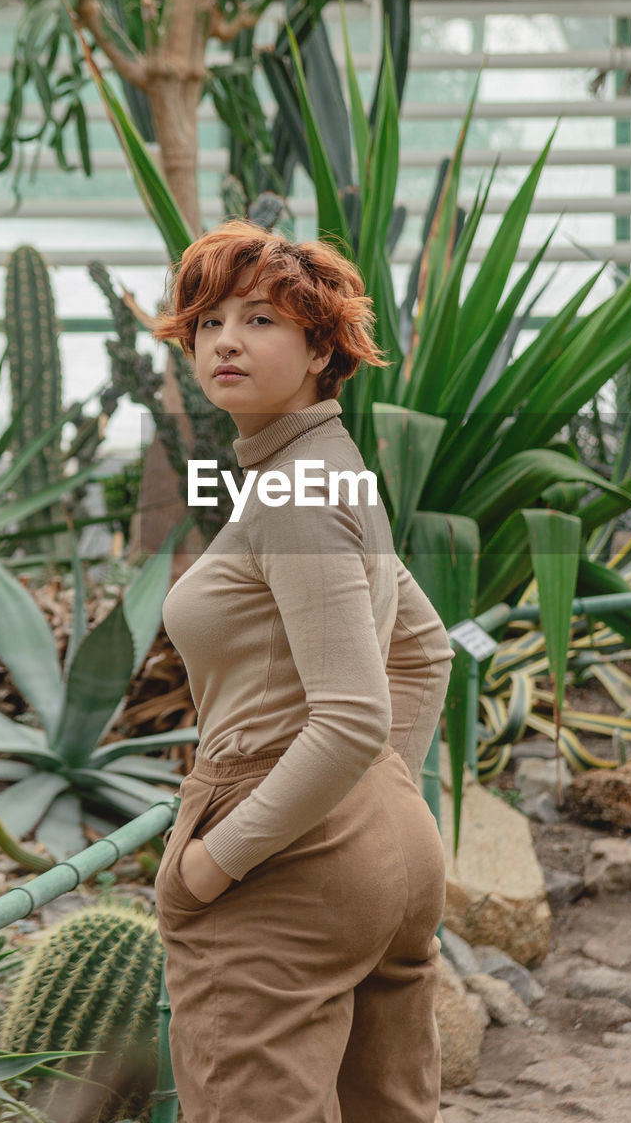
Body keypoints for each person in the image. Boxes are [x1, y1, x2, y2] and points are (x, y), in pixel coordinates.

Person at [151, 219, 454, 1123]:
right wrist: (377, 794)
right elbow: (422, 645)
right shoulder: (328, 470)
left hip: (284, 856)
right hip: (378, 844)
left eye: (261, 321)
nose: (225, 343)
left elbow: (350, 713)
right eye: (207, 324)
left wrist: (209, 867)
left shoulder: (297, 490)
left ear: (323, 348)